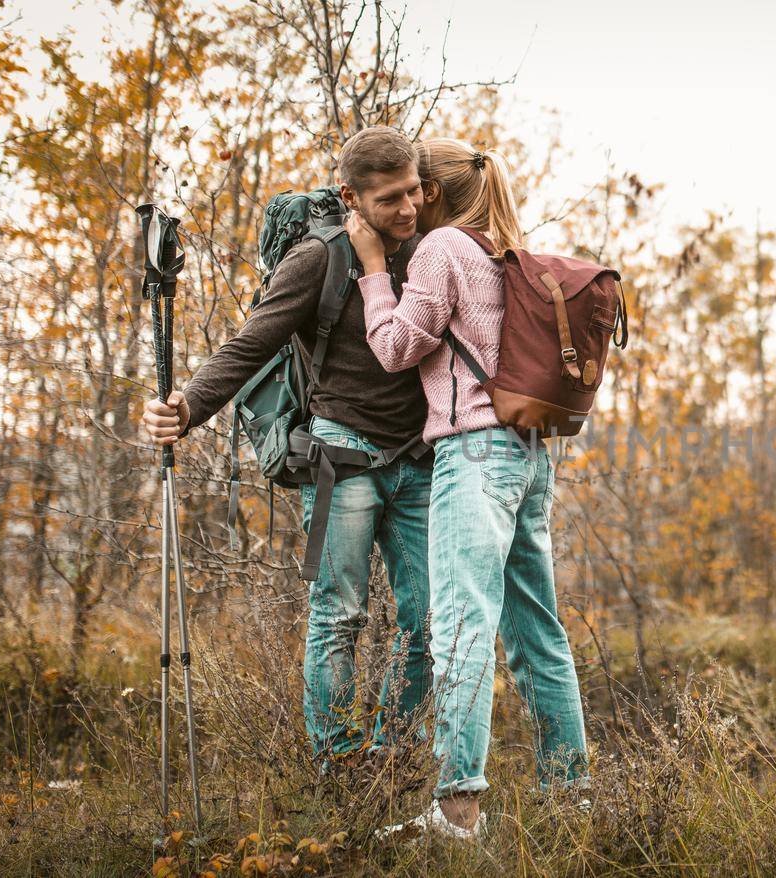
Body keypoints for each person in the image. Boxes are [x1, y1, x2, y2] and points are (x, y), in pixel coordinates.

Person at [140, 126, 434, 766]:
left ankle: (395, 753)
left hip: (418, 460)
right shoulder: (317, 259)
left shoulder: (429, 249)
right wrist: (186, 406)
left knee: (431, 622)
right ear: (349, 197)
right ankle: (341, 764)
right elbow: (251, 344)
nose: (408, 209)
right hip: (343, 458)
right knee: (340, 617)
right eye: (389, 200)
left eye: (413, 191)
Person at [350, 137, 590, 839]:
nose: (410, 202)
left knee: (460, 628)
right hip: (526, 456)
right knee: (538, 634)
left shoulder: (442, 250)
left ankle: (456, 809)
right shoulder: (501, 249)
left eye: (417, 189)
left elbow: (396, 349)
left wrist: (371, 270)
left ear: (436, 192)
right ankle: (571, 800)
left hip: (472, 457)